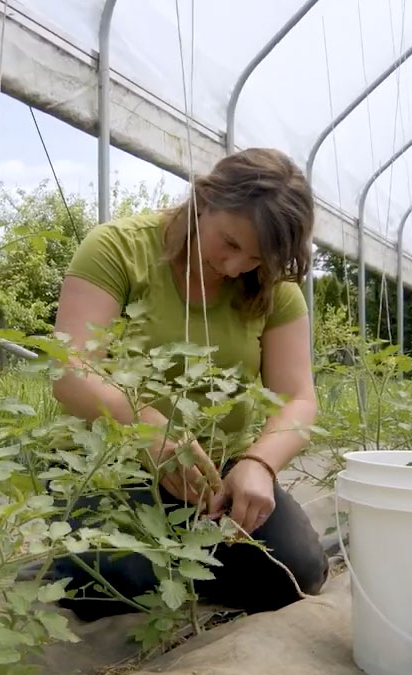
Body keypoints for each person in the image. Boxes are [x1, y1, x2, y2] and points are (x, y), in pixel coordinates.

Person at [47, 147, 329, 622]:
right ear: (204, 200)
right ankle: (155, 557)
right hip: (116, 465)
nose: (238, 266)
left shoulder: (274, 287)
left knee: (294, 573)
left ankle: (180, 555)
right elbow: (70, 371)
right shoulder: (118, 248)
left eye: (257, 258)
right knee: (109, 583)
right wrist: (150, 431)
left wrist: (259, 463)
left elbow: (298, 398)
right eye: (230, 243)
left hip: (221, 476)